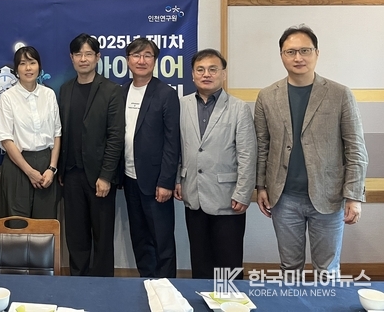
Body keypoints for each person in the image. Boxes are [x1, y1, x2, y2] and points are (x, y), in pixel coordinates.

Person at [255, 25, 368, 275]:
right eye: (291, 52)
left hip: (328, 196)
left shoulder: (340, 94)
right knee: (289, 268)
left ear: (317, 53)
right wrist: (260, 186)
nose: (298, 57)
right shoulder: (267, 96)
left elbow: (356, 148)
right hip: (284, 197)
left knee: (327, 269)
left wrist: (353, 196)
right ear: (282, 56)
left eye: (305, 50)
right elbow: (262, 145)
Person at [174, 49, 256, 279]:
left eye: (213, 69)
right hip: (193, 193)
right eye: (200, 69)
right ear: (192, 75)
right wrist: (178, 179)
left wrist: (243, 193)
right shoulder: (181, 105)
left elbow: (248, 154)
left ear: (223, 74)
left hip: (228, 197)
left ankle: (231, 298)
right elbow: (176, 146)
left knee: (228, 263)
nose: (206, 74)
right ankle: (201, 296)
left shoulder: (238, 108)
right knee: (200, 261)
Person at [58, 33, 124, 277]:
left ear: (98, 57)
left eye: (88, 54)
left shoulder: (111, 90)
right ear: (72, 58)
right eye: (78, 54)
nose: (83, 59)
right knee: (76, 236)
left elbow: (115, 136)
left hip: (99, 177)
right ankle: (78, 283)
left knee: (102, 236)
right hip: (71, 175)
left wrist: (106, 176)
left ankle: (103, 286)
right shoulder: (65, 89)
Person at [121, 38, 180, 278]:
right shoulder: (121, 92)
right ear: (128, 60)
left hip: (156, 182)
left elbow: (172, 142)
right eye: (136, 55)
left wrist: (166, 182)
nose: (141, 60)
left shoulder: (166, 94)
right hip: (129, 179)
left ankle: (167, 288)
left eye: (147, 55)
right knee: (140, 239)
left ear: (154, 61)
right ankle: (146, 282)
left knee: (162, 241)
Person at [0, 46, 61, 219]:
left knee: (44, 224)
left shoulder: (49, 95)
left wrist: (52, 168)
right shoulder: (8, 97)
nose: (28, 68)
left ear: (39, 66)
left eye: (32, 62)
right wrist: (29, 172)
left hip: (46, 165)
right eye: (23, 64)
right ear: (16, 69)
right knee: (17, 223)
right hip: (18, 165)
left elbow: (57, 133)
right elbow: (6, 139)